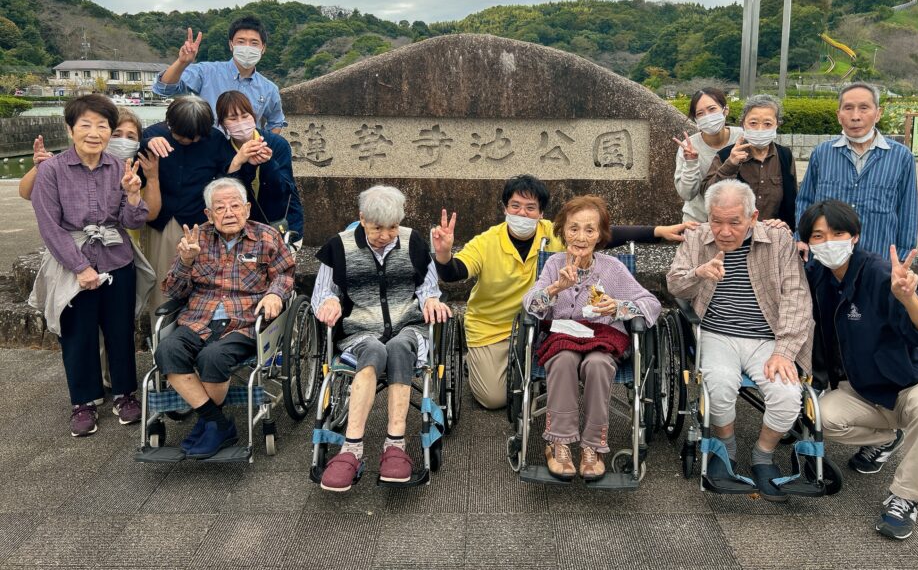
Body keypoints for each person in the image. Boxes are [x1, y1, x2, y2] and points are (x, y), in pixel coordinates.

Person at [431, 174, 696, 410]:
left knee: (569, 360)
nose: (522, 214)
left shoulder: (555, 235)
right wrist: (443, 255)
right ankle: (479, 365)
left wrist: (657, 231)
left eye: (530, 208)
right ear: (505, 209)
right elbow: (455, 272)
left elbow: (600, 231)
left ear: (541, 213)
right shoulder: (488, 241)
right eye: (515, 206)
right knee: (495, 399)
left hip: (542, 326)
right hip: (492, 326)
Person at [799, 199, 918, 540]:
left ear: (855, 236)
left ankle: (905, 497)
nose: (829, 243)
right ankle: (887, 437)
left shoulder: (881, 274)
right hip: (859, 390)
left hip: (906, 386)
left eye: (838, 233)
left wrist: (909, 298)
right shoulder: (816, 276)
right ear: (808, 242)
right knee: (814, 419)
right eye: (818, 236)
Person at [666, 179, 813, 501]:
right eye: (716, 221)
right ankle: (726, 448)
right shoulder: (696, 238)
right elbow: (675, 286)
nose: (725, 231)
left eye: (734, 222)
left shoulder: (778, 239)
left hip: (768, 337)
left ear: (753, 216)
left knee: (788, 395)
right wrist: (699, 273)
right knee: (718, 386)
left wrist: (785, 351)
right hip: (717, 334)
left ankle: (763, 455)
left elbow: (796, 297)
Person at [311, 186, 452, 491]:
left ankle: (395, 444)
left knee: (401, 346)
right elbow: (321, 294)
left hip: (408, 327)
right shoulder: (339, 247)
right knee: (373, 348)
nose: (386, 235)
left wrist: (430, 300)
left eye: (392, 227)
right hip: (361, 333)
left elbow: (428, 288)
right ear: (362, 219)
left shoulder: (412, 241)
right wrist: (329, 302)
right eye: (377, 228)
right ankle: (351, 448)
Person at [28, 94, 149, 437]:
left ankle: (126, 394)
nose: (94, 133)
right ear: (70, 130)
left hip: (117, 258)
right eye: (86, 125)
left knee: (120, 330)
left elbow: (132, 222)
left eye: (102, 126)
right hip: (71, 261)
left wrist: (135, 194)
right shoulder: (51, 170)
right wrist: (80, 267)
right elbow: (50, 225)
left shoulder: (119, 168)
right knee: (77, 334)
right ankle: (83, 402)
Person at [153, 178, 296, 459]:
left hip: (243, 321)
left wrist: (275, 295)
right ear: (209, 214)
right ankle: (217, 423)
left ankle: (210, 424)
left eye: (234, 206)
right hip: (198, 318)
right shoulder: (196, 239)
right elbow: (174, 291)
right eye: (220, 208)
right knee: (166, 350)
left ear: (247, 209)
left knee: (213, 357)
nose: (229, 212)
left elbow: (285, 274)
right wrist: (186, 262)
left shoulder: (266, 237)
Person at [523, 195, 662, 480]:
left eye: (590, 229)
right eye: (574, 228)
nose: (581, 237)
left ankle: (592, 447)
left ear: (600, 235)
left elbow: (651, 303)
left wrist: (620, 307)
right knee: (563, 361)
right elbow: (530, 305)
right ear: (562, 231)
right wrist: (554, 289)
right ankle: (558, 442)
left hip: (601, 341)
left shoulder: (612, 269)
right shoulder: (553, 265)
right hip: (561, 339)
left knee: (597, 365)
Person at [140, 96, 246, 310]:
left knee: (205, 284)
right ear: (170, 124)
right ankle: (161, 338)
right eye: (183, 137)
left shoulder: (214, 139)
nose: (191, 140)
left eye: (197, 137)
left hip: (202, 221)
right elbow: (130, 152)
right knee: (165, 284)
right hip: (166, 221)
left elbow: (228, 176)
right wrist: (145, 142)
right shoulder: (154, 135)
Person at [795, 81, 918, 260]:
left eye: (864, 108)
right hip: (826, 260)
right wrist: (801, 237)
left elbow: (908, 212)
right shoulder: (823, 154)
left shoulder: (901, 157)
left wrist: (902, 258)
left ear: (878, 113)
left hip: (877, 259)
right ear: (839, 115)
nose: (855, 116)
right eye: (848, 108)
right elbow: (805, 201)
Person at [19, 108, 161, 221]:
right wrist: (40, 166)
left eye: (131, 137)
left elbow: (148, 216)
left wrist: (152, 178)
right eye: (116, 135)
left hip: (120, 244)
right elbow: (26, 194)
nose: (123, 141)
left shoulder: (140, 167)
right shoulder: (69, 164)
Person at [152, 16, 287, 133]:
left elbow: (276, 121)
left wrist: (264, 145)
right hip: (207, 153)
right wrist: (181, 62)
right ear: (231, 45)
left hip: (245, 154)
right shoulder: (206, 72)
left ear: (263, 48)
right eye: (241, 41)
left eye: (254, 43)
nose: (247, 47)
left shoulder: (269, 89)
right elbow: (164, 88)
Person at [215, 91, 303, 242]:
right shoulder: (220, 149)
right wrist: (237, 163)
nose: (240, 122)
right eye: (232, 118)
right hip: (240, 230)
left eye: (245, 116)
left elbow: (283, 190)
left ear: (253, 117)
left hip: (281, 225)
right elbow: (226, 194)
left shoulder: (277, 144)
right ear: (223, 124)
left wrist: (268, 162)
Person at [704, 94, 797, 228]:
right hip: (732, 235)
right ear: (743, 124)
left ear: (777, 124)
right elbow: (707, 193)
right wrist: (730, 164)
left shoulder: (785, 156)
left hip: (773, 235)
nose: (760, 129)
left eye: (767, 124)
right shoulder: (726, 155)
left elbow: (793, 198)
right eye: (753, 123)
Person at [672, 88, 743, 223]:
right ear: (696, 120)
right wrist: (691, 163)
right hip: (698, 222)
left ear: (725, 110)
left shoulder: (742, 138)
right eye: (700, 113)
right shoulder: (688, 147)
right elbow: (687, 194)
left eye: (712, 109)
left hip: (738, 224)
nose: (707, 117)